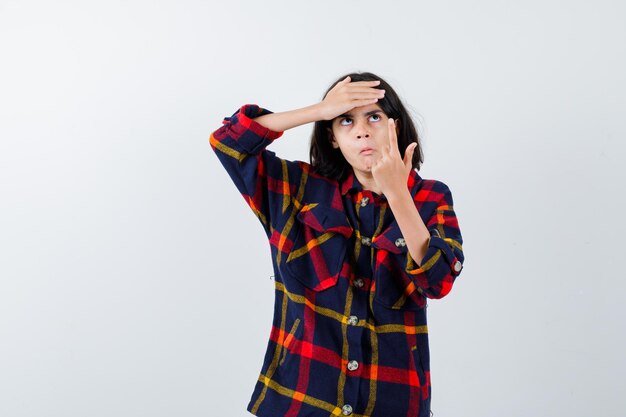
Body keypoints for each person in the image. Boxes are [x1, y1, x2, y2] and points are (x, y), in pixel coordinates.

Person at [209, 72, 464, 417]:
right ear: (332, 137)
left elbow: (438, 281)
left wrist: (397, 193)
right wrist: (321, 109)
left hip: (393, 402)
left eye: (374, 116)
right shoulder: (299, 189)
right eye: (346, 120)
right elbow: (228, 142)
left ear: (395, 127)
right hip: (301, 400)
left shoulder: (431, 197)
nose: (362, 130)